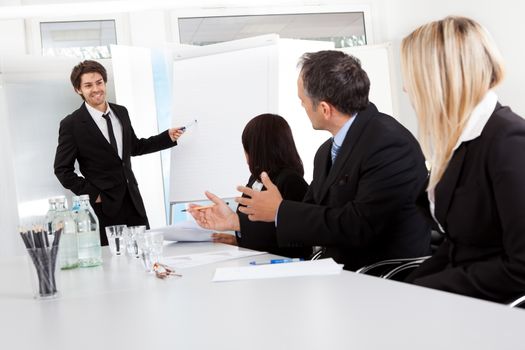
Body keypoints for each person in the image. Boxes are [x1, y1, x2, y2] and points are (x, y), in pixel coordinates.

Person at [234, 50, 431, 271]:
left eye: (303, 101)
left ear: (325, 109)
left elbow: (358, 226)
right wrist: (243, 221)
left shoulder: (389, 143)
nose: (303, 107)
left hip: (380, 274)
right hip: (338, 270)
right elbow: (309, 216)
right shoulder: (325, 152)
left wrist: (281, 211)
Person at [400, 16, 525, 303]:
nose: (407, 88)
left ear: (439, 76)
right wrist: (404, 290)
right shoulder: (465, 142)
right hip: (467, 300)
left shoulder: (509, 141)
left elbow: (521, 267)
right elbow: (459, 246)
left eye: (411, 76)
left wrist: (426, 292)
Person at [54, 60, 184, 246]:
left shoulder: (121, 112)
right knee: (113, 263)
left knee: (143, 254)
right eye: (88, 85)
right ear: (78, 90)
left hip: (133, 201)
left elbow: (135, 147)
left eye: (99, 82)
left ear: (105, 83)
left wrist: (167, 138)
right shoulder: (72, 124)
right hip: (104, 207)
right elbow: (62, 170)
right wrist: (93, 194)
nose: (96, 89)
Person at [190, 114, 311, 259]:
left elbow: (295, 239)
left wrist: (238, 225)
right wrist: (239, 240)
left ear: (257, 149)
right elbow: (260, 229)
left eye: (247, 148)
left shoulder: (291, 181)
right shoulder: (255, 179)